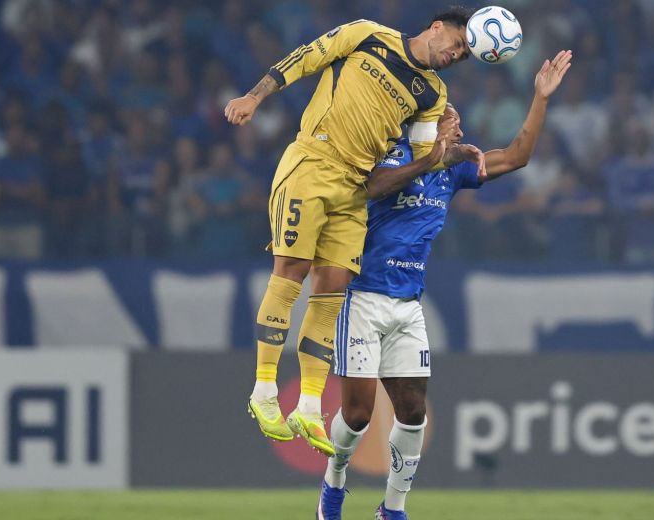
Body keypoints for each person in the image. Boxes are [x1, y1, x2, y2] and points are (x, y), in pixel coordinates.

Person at [316, 50, 572, 520]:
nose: (458, 129)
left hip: (408, 305)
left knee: (413, 411)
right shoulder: (386, 155)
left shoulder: (455, 170)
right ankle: (333, 486)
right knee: (356, 416)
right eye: (449, 120)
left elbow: (518, 156)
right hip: (363, 296)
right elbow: (369, 189)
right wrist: (429, 160)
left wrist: (539, 98)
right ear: (424, 125)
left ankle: (392, 509)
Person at [224, 8, 484, 457]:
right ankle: (264, 391)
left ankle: (308, 406)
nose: (455, 54)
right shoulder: (368, 35)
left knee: (332, 290)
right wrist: (253, 97)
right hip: (312, 162)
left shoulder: (433, 94)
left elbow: (420, 158)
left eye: (462, 55)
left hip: (355, 187)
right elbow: (304, 58)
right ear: (437, 27)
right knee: (291, 271)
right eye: (457, 43)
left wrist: (449, 154)